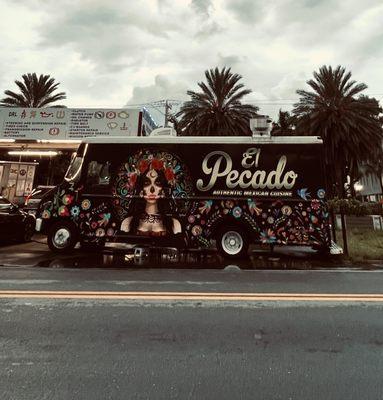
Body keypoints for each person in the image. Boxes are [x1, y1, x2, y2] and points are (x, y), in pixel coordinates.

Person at [120, 165, 182, 238]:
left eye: (157, 183)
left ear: (163, 189)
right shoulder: (128, 222)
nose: (152, 189)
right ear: (141, 189)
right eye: (147, 183)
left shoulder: (174, 224)